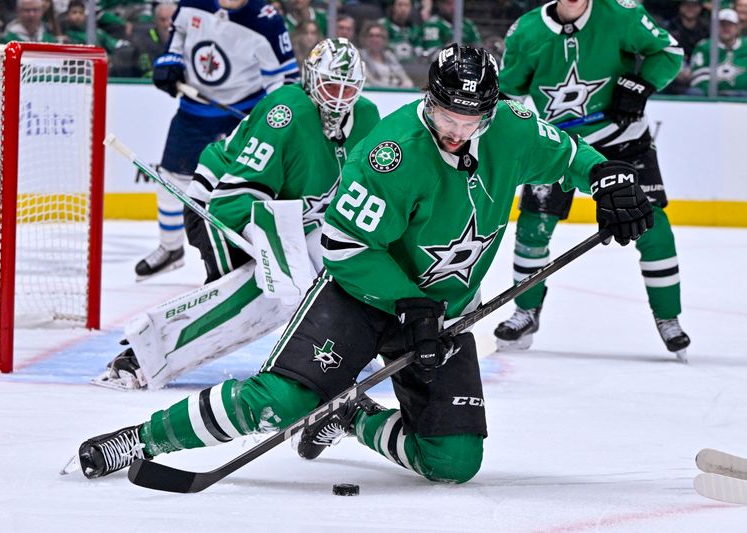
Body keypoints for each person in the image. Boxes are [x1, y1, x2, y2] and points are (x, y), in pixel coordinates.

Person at [75, 44, 653, 483]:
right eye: (445, 115)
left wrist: (609, 179)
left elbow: (571, 154)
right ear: (429, 100)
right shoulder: (391, 152)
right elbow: (345, 247)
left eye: (468, 121)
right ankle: (143, 439)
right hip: (361, 297)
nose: (454, 131)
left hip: (441, 310)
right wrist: (410, 305)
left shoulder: (513, 128)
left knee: (454, 462)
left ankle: (353, 417)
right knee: (277, 402)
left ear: (491, 112)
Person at [93, 38, 380, 390]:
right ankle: (140, 357)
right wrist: (269, 254)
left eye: (348, 87)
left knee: (332, 267)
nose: (339, 97)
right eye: (330, 85)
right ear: (311, 79)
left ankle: (348, 346)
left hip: (284, 220)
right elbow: (232, 200)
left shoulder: (367, 118)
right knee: (245, 297)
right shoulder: (287, 112)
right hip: (215, 206)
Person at [496, 0, 691, 358]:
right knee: (532, 228)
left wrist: (640, 85)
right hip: (557, 145)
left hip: (622, 137)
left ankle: (669, 318)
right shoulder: (526, 31)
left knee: (652, 225)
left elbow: (668, 51)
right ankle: (525, 310)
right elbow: (507, 95)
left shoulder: (622, 13)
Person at [137, 0, 298, 280]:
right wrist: (169, 63)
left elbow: (284, 81)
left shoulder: (266, 21)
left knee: (244, 188)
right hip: (193, 110)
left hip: (244, 116)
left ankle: (249, 255)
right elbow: (177, 40)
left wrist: (275, 117)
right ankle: (170, 248)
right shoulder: (192, 3)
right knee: (171, 180)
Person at [108, 1, 176, 78]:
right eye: (162, 20)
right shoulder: (140, 39)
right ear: (155, 21)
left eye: (171, 19)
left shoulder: (186, 41)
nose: (167, 24)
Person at [689, 9, 747, 96]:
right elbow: (698, 75)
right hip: (710, 95)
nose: (726, 28)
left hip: (742, 95)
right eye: (722, 25)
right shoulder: (704, 46)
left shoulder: (745, 45)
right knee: (694, 92)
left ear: (737, 27)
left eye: (730, 25)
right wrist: (712, 94)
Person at [360, 22, 414, 88]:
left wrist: (407, 83)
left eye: (378, 36)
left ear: (384, 39)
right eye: (371, 36)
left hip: (396, 92)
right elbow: (369, 81)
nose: (374, 39)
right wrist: (394, 87)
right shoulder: (361, 56)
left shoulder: (389, 55)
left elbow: (403, 76)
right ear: (366, 38)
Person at [380, 0, 423, 64]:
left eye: (406, 5)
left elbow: (419, 52)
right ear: (393, 7)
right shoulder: (382, 26)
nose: (403, 9)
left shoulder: (415, 29)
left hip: (412, 68)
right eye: (399, 5)